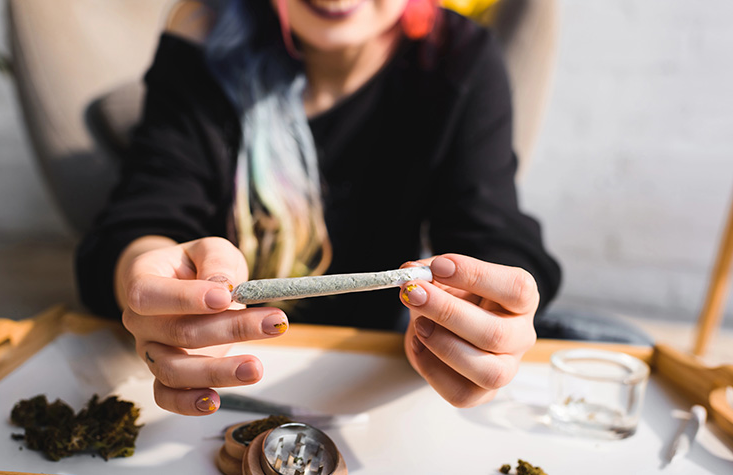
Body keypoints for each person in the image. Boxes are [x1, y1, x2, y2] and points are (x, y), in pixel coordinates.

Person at [76, 0, 561, 417]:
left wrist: (489, 313)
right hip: (216, 385)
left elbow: (492, 232)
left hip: (373, 377)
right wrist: (147, 283)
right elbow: (140, 220)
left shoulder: (459, 61)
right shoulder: (201, 38)